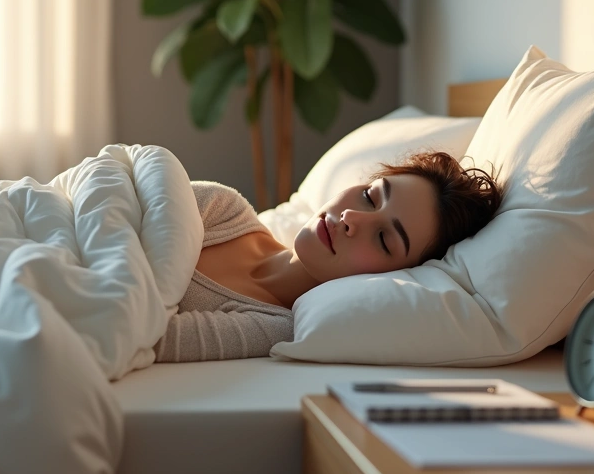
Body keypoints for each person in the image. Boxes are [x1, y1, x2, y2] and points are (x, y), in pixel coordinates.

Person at [154, 150, 503, 362]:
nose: (352, 218)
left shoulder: (272, 326)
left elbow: (146, 338)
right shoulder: (223, 208)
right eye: (370, 196)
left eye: (384, 239)